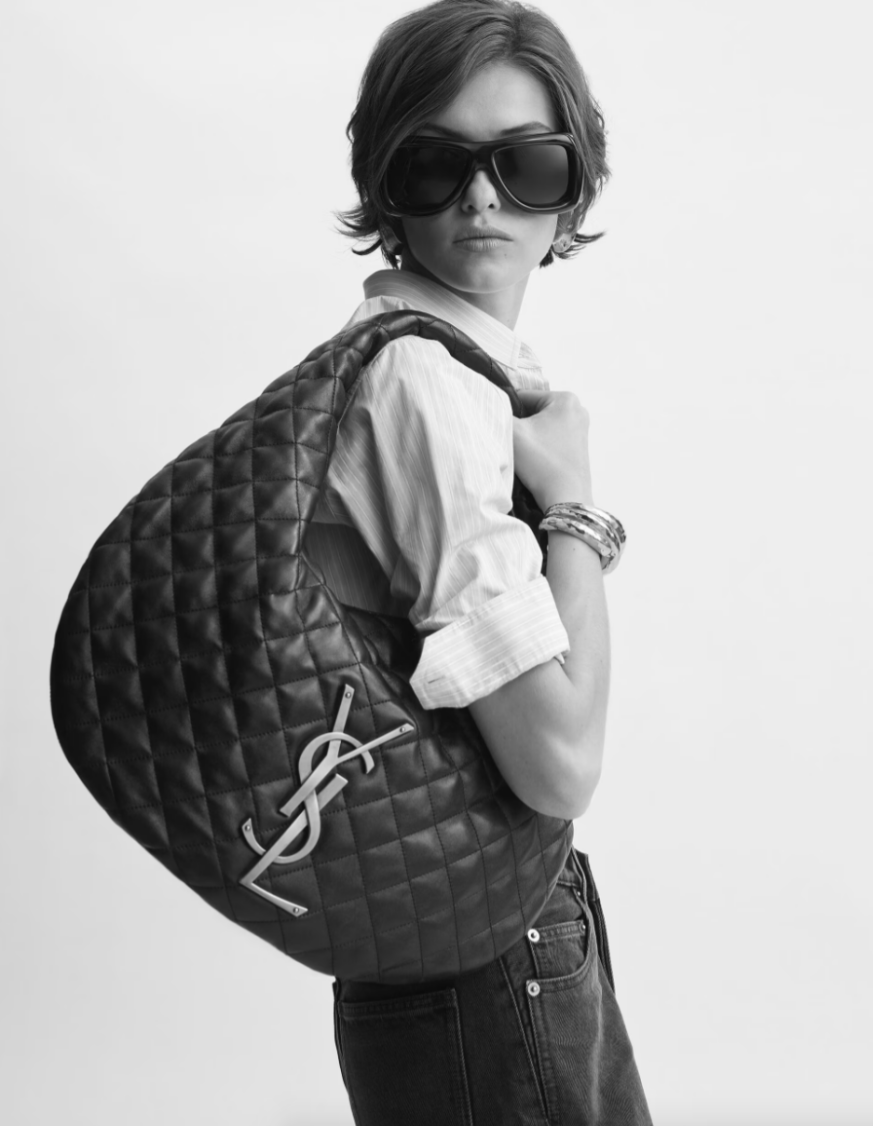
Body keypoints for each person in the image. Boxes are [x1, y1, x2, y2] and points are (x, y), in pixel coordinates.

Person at [304, 1, 654, 1122]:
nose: (482, 199)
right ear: (385, 184)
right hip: (485, 952)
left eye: (526, 163)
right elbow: (559, 763)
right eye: (436, 164)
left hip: (465, 933)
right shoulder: (427, 386)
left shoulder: (454, 368)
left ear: (572, 189)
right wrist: (577, 510)